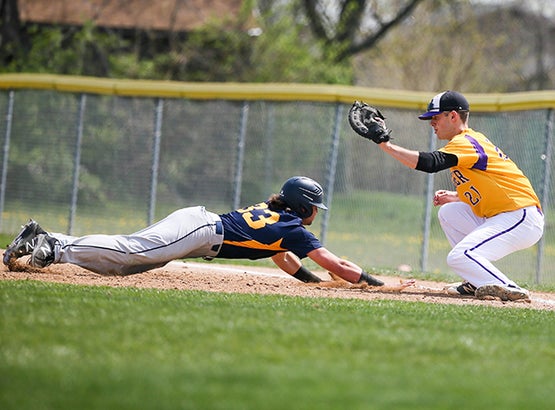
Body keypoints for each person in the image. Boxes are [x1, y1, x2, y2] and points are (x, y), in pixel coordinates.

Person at [3, 176, 385, 286]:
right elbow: (337, 263)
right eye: (314, 207)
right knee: (131, 251)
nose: (316, 213)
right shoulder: (295, 229)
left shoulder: (278, 218)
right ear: (303, 206)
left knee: (125, 265)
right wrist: (370, 281)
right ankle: (50, 242)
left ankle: (52, 246)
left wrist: (313, 282)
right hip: (202, 231)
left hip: (199, 227)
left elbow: (281, 258)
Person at [358, 90, 544, 301]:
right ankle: (475, 282)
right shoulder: (467, 142)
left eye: (435, 117)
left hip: (520, 216)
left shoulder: (467, 141)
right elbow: (493, 184)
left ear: (453, 116)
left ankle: (507, 287)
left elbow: (430, 163)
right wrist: (457, 197)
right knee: (449, 212)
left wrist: (386, 145)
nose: (432, 123)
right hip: (507, 214)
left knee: (459, 256)